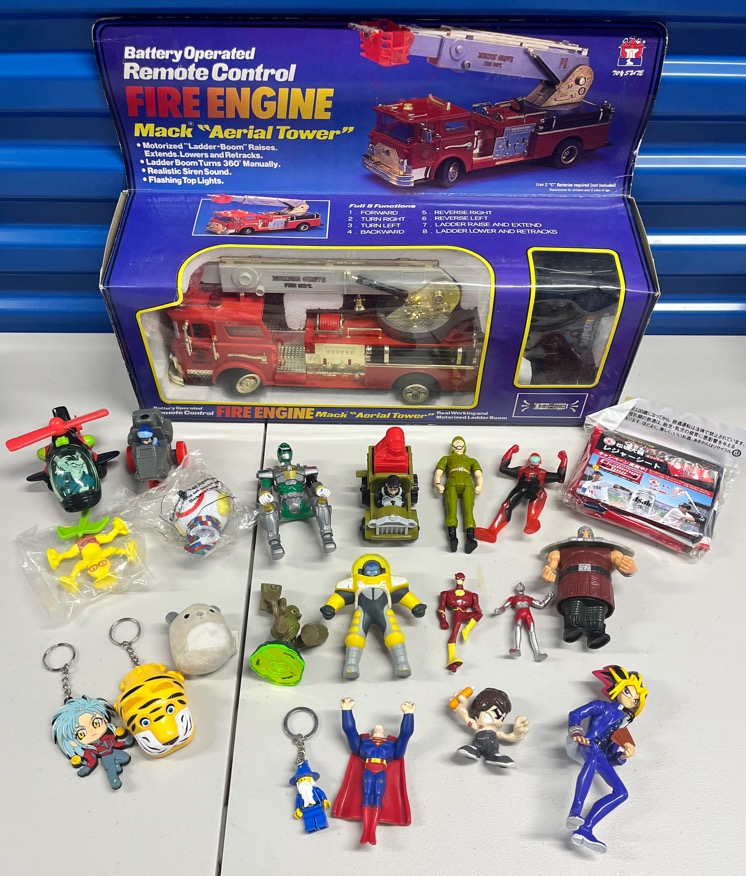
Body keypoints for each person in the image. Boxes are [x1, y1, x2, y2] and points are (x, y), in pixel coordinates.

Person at [565, 665, 648, 854]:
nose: (631, 699)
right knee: (592, 760)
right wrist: (577, 732)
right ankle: (575, 812)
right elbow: (575, 714)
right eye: (628, 692)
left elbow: (611, 755)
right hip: (588, 744)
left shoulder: (621, 726)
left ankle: (585, 829)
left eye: (635, 699)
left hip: (600, 754)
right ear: (617, 689)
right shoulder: (601, 706)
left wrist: (622, 756)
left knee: (621, 793)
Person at [333, 698, 415, 845]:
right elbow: (350, 731)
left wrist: (408, 714)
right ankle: (366, 832)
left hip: (381, 771)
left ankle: (372, 832)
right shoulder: (364, 743)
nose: (378, 730)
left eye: (380, 730)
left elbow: (405, 735)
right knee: (366, 798)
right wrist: (346, 710)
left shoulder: (391, 745)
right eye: (376, 730)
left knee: (377, 799)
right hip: (368, 770)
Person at [450, 687, 529, 768]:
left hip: (493, 748)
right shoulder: (478, 726)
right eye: (490, 716)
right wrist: (460, 708)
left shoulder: (496, 733)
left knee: (493, 753)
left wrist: (517, 735)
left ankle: (494, 756)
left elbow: (507, 737)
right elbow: (466, 718)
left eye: (502, 718)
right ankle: (474, 749)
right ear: (477, 712)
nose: (498, 722)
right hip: (477, 743)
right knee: (473, 748)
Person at [433, 436, 483, 553]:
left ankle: (470, 539)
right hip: (452, 482)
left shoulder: (471, 460)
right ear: (452, 447)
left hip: (467, 483)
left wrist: (479, 486)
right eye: (456, 442)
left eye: (461, 442)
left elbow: (479, 475)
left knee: (469, 512)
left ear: (465, 446)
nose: (458, 443)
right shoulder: (447, 458)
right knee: (451, 510)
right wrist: (438, 484)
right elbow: (438, 473)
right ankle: (453, 538)